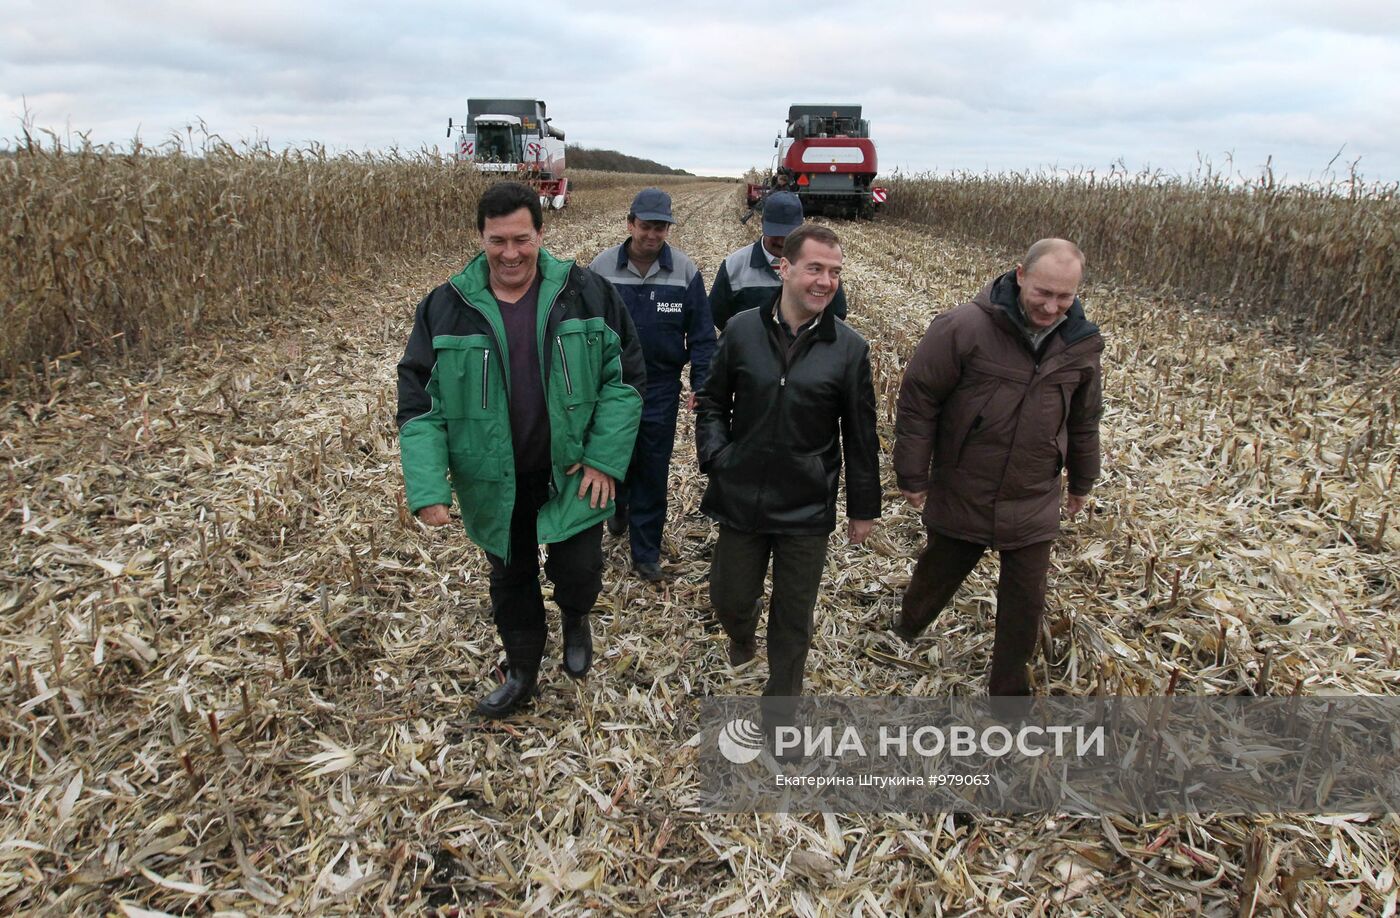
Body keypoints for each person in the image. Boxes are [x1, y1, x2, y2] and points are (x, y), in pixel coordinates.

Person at [396, 181, 645, 717]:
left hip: (572, 470)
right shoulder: (446, 308)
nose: (510, 253)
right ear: (481, 238)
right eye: (497, 241)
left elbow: (624, 380)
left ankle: (576, 619)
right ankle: (524, 668)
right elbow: (419, 403)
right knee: (511, 581)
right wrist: (427, 487)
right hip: (493, 479)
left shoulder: (587, 292)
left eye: (521, 239)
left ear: (540, 233)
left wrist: (604, 458)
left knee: (578, 572)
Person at [892, 238, 1103, 696]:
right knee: (939, 570)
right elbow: (919, 399)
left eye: (1064, 297)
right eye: (1043, 293)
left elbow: (1085, 419)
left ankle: (1008, 693)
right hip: (966, 485)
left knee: (1025, 602)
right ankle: (907, 626)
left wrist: (1082, 479)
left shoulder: (1081, 345)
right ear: (1020, 275)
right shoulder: (962, 327)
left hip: (1033, 495)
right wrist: (911, 471)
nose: (1051, 307)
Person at [696, 223, 881, 700]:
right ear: (785, 268)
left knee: (794, 615)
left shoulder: (849, 349)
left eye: (834, 272)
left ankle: (783, 706)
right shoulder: (740, 331)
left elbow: (860, 436)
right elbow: (712, 401)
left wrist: (863, 508)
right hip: (741, 494)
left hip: (805, 504)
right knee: (730, 598)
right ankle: (741, 633)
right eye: (815, 268)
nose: (825, 281)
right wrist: (718, 456)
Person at [589, 189, 715, 582]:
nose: (652, 235)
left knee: (652, 467)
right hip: (610, 386)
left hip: (660, 386)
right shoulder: (601, 269)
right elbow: (583, 332)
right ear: (630, 224)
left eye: (660, 228)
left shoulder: (684, 272)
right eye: (645, 226)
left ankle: (645, 553)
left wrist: (702, 384)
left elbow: (702, 336)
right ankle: (612, 515)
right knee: (609, 459)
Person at [710, 191, 847, 331]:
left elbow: (837, 312)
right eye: (775, 233)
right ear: (762, 222)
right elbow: (718, 315)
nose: (782, 241)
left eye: (789, 233)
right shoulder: (734, 265)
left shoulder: (817, 264)